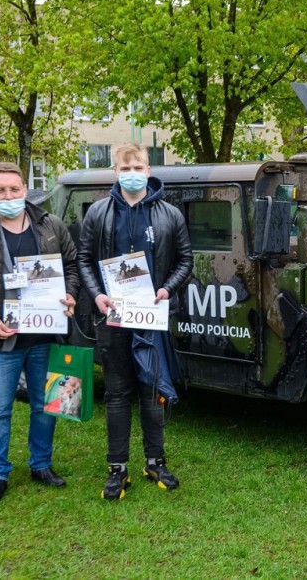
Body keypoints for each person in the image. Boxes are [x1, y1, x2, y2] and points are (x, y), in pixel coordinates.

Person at [0, 162, 79, 503]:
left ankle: (41, 464)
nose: (9, 196)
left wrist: (71, 294)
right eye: (1, 190)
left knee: (45, 404)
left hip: (45, 335)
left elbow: (72, 266)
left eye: (15, 189)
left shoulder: (51, 226)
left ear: (25, 188)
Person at [77, 143, 193, 500]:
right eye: (125, 168)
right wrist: (97, 295)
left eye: (138, 167)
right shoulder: (98, 212)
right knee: (116, 393)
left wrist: (167, 289)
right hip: (112, 319)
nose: (132, 173)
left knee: (152, 391)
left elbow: (185, 260)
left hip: (151, 317)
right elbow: (83, 259)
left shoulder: (169, 214)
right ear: (115, 172)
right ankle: (117, 468)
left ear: (148, 170)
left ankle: (155, 460)